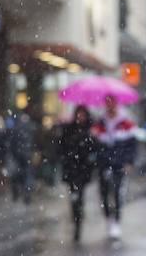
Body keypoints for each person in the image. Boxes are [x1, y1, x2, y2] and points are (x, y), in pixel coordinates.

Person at [93, 95, 137, 239]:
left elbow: (132, 145)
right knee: (104, 194)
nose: (109, 106)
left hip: (119, 164)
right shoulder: (100, 123)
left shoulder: (126, 123)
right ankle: (109, 219)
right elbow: (95, 145)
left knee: (118, 192)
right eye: (107, 103)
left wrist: (129, 162)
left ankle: (117, 221)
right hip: (104, 164)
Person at [58, 106, 100, 242]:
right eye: (78, 115)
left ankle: (78, 222)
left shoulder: (91, 130)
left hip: (83, 169)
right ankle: (76, 218)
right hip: (71, 168)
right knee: (74, 196)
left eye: (83, 115)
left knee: (79, 196)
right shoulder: (68, 129)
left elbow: (95, 148)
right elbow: (61, 147)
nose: (80, 117)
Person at [9, 112, 37, 204]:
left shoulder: (16, 128)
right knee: (27, 174)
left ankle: (19, 191)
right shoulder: (30, 128)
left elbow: (12, 143)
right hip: (26, 155)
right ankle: (26, 192)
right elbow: (34, 143)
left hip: (19, 155)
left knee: (19, 174)